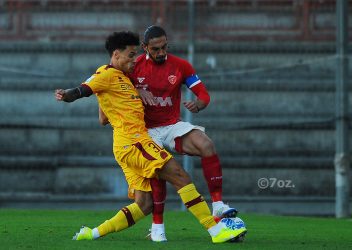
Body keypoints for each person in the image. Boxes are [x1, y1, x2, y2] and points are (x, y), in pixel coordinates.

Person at [54, 31, 246, 244]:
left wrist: (110, 98)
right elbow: (83, 89)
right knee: (179, 175)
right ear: (116, 54)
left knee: (144, 204)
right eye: (130, 55)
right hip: (133, 142)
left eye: (135, 54)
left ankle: (92, 233)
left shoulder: (121, 78)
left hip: (127, 145)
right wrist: (67, 95)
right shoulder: (105, 74)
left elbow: (102, 119)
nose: (133, 59)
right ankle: (215, 230)